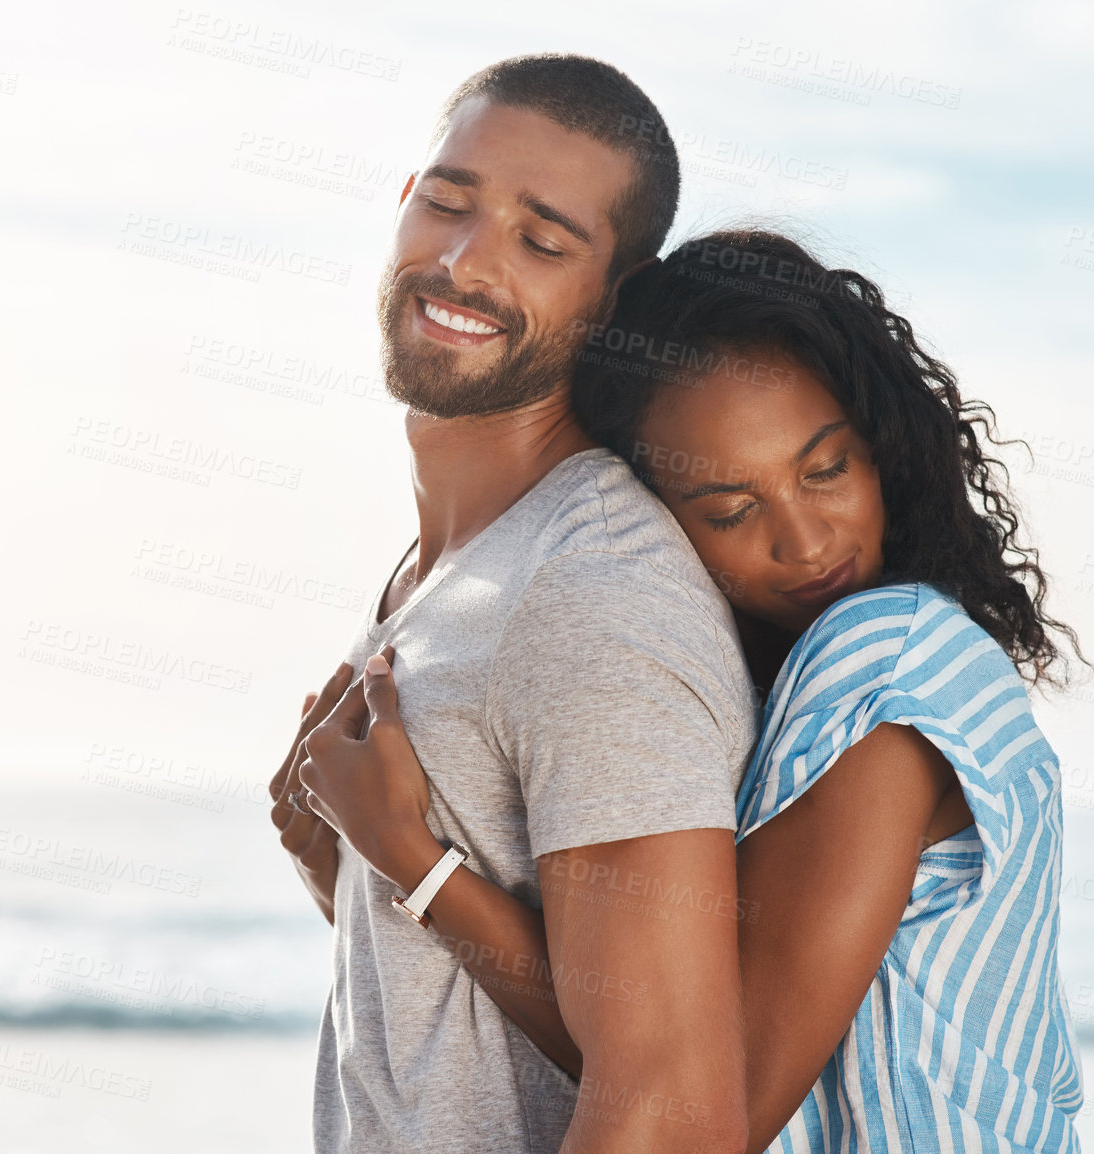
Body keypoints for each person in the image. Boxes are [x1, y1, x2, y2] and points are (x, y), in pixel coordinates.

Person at [307, 228, 1088, 1152]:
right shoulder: (785, 688)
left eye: (825, 469)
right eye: (728, 510)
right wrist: (341, 866)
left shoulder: (881, 662)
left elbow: (706, 1100)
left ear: (884, 446)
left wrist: (417, 863)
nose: (803, 542)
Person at [266, 56, 759, 1154]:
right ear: (403, 203)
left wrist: (414, 860)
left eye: (541, 241)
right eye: (447, 202)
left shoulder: (595, 594)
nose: (462, 260)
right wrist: (344, 870)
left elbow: (672, 1101)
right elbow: (509, 1021)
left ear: (615, 299)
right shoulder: (447, 564)